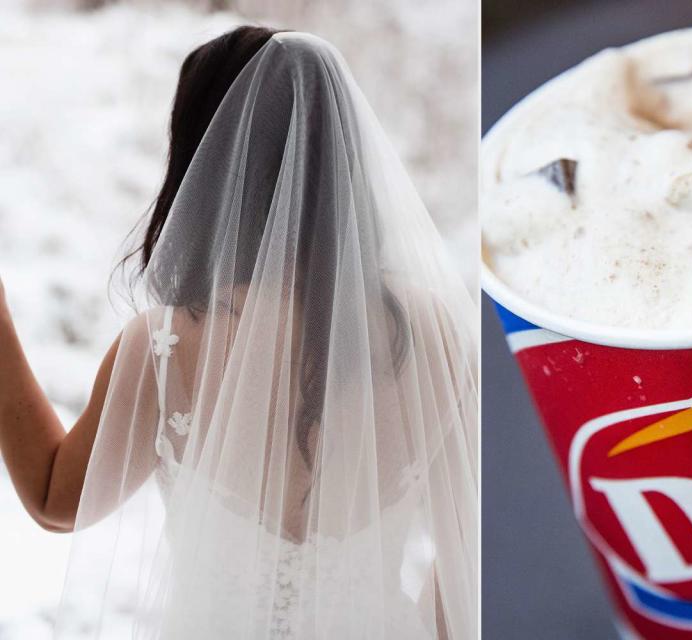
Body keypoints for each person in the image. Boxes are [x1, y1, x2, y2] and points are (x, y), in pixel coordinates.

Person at [0, 26, 477, 639]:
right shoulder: (428, 331)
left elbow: (54, 498)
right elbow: (475, 547)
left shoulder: (167, 347)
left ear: (204, 163)